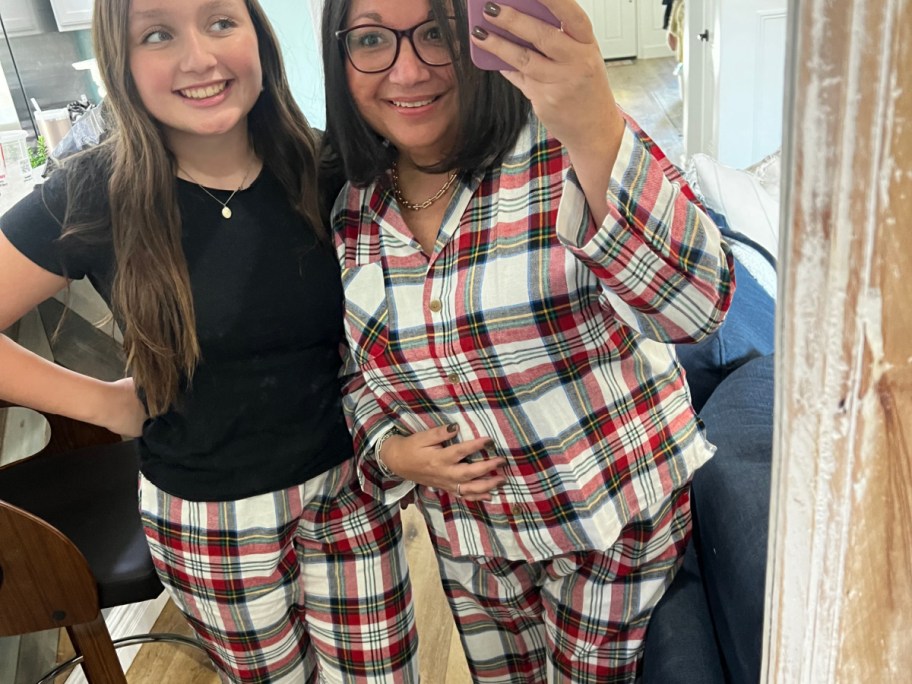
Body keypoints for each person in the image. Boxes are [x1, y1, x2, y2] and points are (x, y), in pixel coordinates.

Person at [0, 0, 423, 681]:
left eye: (221, 22)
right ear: (121, 61)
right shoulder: (93, 193)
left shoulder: (325, 167)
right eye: (158, 34)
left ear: (258, 36)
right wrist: (104, 404)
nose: (199, 58)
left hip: (349, 490)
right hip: (210, 521)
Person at [321, 0, 735, 681]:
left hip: (611, 527)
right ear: (340, 60)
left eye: (436, 32)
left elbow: (698, 307)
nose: (407, 69)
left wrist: (594, 122)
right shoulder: (352, 215)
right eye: (370, 39)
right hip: (474, 546)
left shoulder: (561, 146)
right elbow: (355, 377)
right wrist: (391, 451)